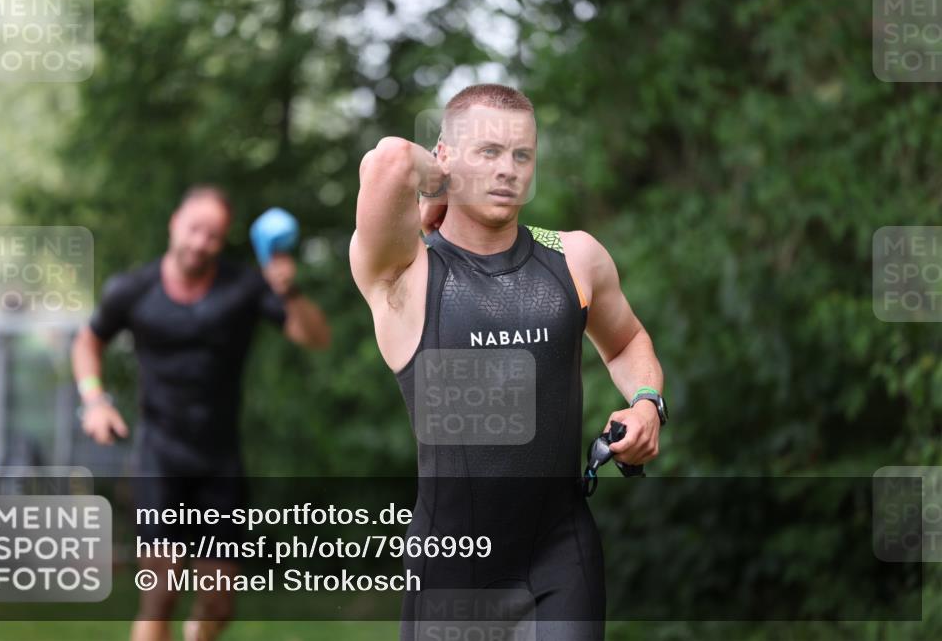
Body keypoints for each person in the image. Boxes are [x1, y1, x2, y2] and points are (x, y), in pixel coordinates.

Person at [349, 84, 667, 640]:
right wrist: (438, 181)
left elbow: (625, 342)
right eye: (488, 152)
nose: (508, 170)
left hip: (560, 560)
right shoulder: (406, 273)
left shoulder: (574, 258)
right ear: (445, 156)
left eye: (522, 155)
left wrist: (647, 405)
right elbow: (391, 159)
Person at [71, 186, 330, 641]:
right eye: (194, 229)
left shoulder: (244, 288)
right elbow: (88, 342)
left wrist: (289, 291)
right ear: (175, 223)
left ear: (224, 240)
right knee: (161, 591)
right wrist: (94, 400)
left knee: (218, 601)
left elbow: (314, 336)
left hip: (219, 462)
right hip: (160, 456)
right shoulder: (133, 289)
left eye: (212, 236)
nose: (199, 243)